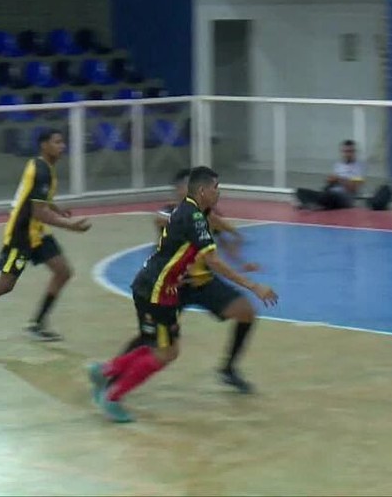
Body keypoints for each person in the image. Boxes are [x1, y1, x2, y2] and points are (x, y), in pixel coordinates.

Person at [86, 167, 278, 422]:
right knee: (161, 348)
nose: (219, 192)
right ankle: (112, 391)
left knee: (169, 344)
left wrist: (237, 245)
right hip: (162, 289)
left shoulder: (198, 214)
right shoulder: (185, 214)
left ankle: (106, 371)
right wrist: (254, 285)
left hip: (170, 285)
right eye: (215, 188)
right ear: (198, 190)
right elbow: (207, 254)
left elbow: (216, 233)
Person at [0, 129, 92, 350]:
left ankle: (37, 323)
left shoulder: (44, 167)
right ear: (44, 145)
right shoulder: (41, 171)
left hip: (37, 233)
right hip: (21, 235)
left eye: (63, 142)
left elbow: (39, 199)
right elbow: (39, 211)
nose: (63, 146)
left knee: (63, 271)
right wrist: (71, 226)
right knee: (5, 284)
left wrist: (58, 209)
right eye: (57, 142)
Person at [158, 167, 245, 258]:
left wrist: (236, 236)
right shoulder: (168, 211)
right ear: (179, 189)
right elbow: (161, 220)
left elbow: (220, 233)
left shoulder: (205, 212)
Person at [295, 139, 364, 211]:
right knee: (300, 191)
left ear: (354, 152)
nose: (347, 154)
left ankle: (314, 204)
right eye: (345, 152)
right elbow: (331, 182)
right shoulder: (338, 165)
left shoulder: (359, 167)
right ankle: (316, 204)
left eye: (350, 152)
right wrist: (330, 180)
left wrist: (339, 179)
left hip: (344, 197)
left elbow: (354, 188)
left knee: (330, 195)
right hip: (330, 192)